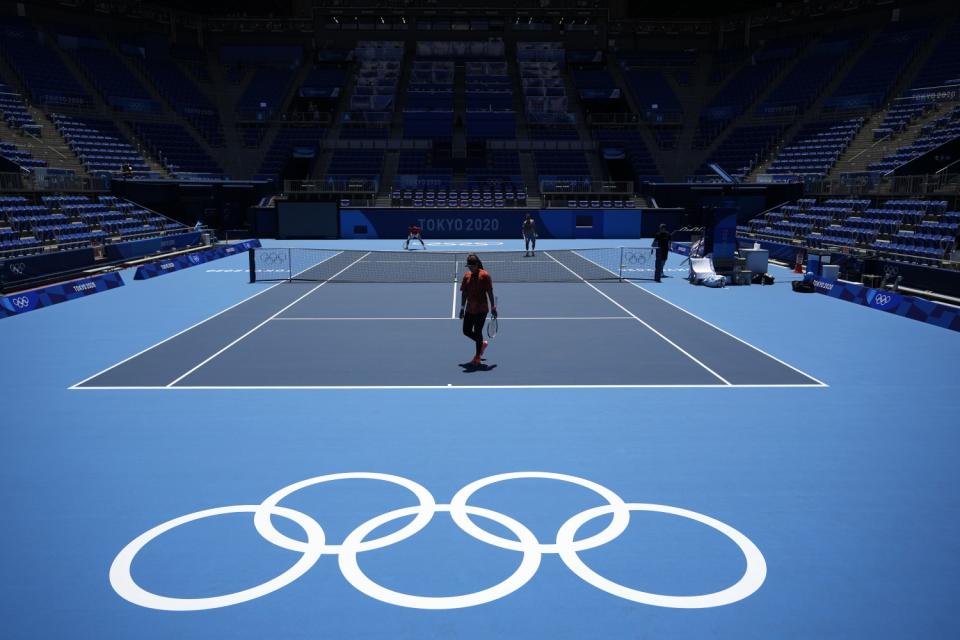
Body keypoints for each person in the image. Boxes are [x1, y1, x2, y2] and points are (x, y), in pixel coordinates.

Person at [459, 254, 497, 367]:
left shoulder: (485, 275)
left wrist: (493, 307)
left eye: (471, 266)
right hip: (470, 309)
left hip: (481, 309)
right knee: (466, 331)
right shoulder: (466, 276)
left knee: (478, 331)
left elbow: (489, 292)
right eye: (468, 266)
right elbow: (464, 293)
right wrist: (461, 308)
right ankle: (482, 344)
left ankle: (477, 357)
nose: (470, 268)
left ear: (476, 265)